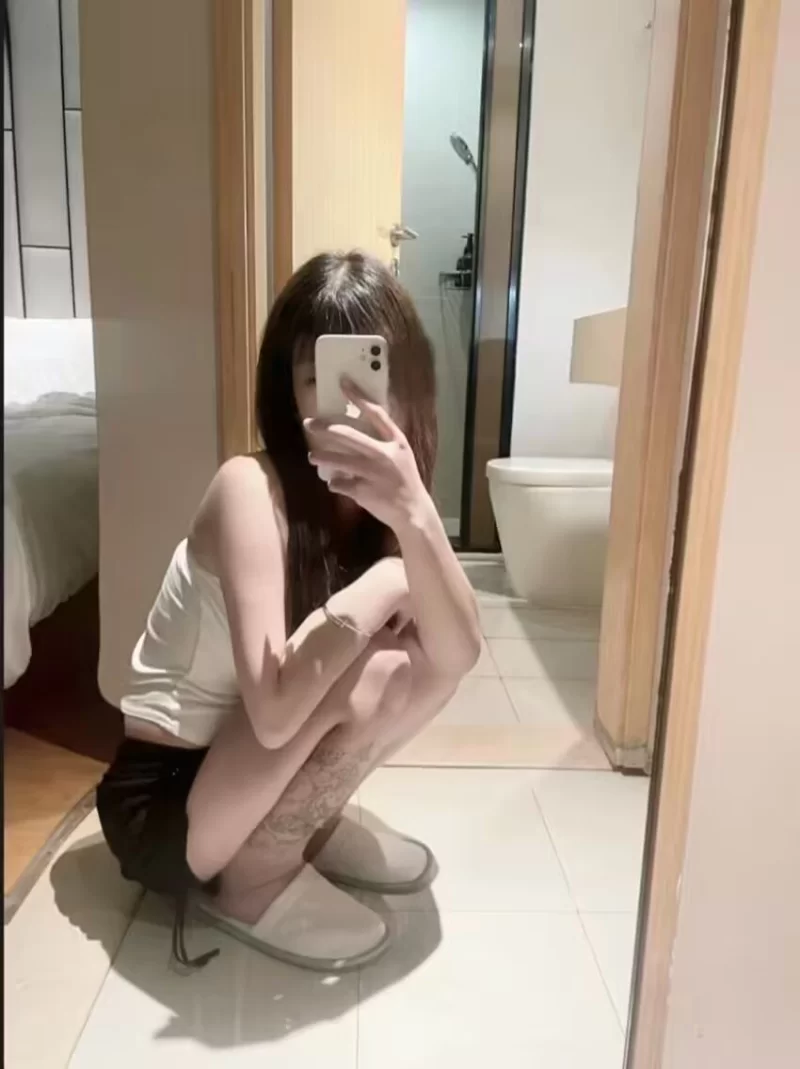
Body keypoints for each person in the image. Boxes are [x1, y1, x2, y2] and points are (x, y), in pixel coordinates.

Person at [96, 251, 481, 973]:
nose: (350, 403)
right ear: (290, 390)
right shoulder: (249, 488)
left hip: (242, 769)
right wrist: (390, 577)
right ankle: (252, 877)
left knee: (418, 663)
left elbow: (457, 658)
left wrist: (416, 516)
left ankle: (302, 828)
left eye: (371, 373)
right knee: (375, 669)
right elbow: (274, 714)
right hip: (167, 801)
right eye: (319, 377)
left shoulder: (376, 508)